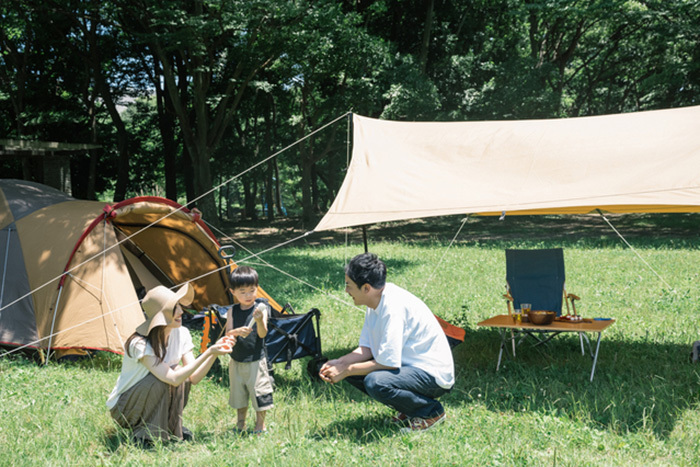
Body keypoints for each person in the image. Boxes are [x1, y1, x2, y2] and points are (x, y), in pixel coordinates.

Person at [319, 252, 455, 432]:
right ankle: (409, 409)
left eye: (349, 285)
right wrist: (340, 362)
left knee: (376, 381)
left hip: (433, 375)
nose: (346, 291)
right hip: (409, 368)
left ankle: (431, 412)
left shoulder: (393, 307)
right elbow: (366, 349)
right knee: (354, 371)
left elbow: (386, 363)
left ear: (366, 288)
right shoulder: (375, 301)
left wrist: (347, 370)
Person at [106, 283, 231, 448]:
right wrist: (208, 352)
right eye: (174, 308)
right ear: (161, 316)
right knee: (165, 378)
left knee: (182, 375)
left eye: (179, 306)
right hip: (126, 408)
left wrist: (214, 353)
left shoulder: (182, 333)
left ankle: (170, 429)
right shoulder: (140, 343)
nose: (180, 312)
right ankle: (145, 435)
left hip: (151, 397)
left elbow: (193, 377)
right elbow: (171, 378)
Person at [226, 266, 274, 435]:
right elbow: (228, 334)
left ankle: (260, 425)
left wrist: (260, 321)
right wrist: (237, 332)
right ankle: (240, 424)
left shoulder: (260, 309)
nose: (248, 295)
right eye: (243, 292)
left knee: (259, 393)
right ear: (233, 292)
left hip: (256, 360)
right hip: (237, 360)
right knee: (239, 395)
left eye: (252, 291)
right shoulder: (232, 311)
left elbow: (262, 333)